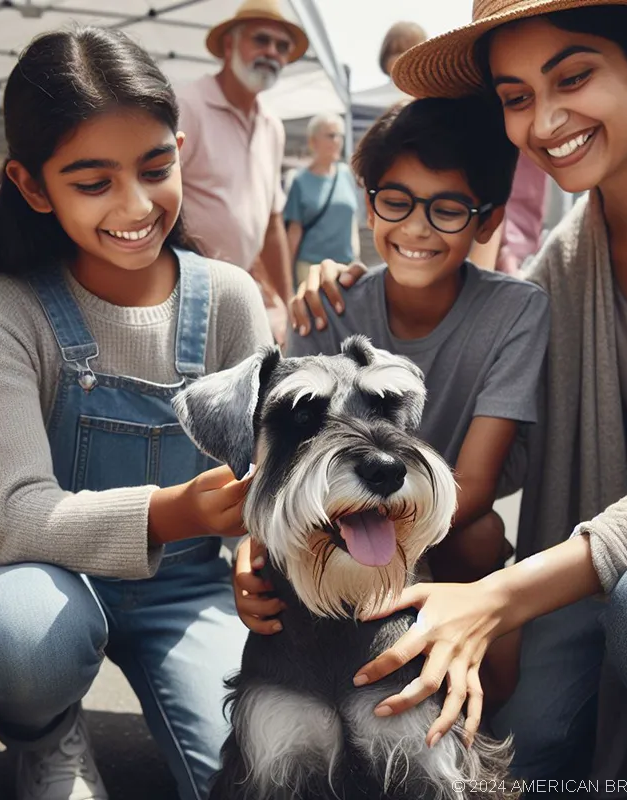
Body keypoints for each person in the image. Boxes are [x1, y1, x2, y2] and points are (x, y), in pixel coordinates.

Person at [287, 0, 627, 783]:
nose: (545, 121)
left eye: (573, 76)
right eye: (516, 97)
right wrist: (355, 297)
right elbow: (510, 450)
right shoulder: (562, 267)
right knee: (526, 738)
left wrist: (499, 597)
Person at [0, 28, 272, 800]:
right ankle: (46, 739)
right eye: (94, 182)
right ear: (32, 183)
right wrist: (173, 510)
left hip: (187, 592)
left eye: (156, 168)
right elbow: (13, 518)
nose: (136, 205)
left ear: (182, 149)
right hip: (44, 578)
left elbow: (268, 470)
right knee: (22, 637)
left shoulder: (229, 298)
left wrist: (258, 552)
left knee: (252, 774)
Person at [236, 95, 549, 707]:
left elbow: (477, 483)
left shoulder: (517, 311)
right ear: (369, 202)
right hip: (332, 519)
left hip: (442, 524)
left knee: (482, 539)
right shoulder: (328, 306)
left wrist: (391, 540)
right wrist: (256, 544)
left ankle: (476, 710)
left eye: (449, 209)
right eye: (396, 201)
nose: (416, 228)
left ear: (488, 222)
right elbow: (283, 453)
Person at [176, 0, 309, 336]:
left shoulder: (272, 126)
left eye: (282, 47)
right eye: (261, 40)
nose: (272, 53)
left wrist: (287, 299)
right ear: (229, 44)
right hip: (182, 293)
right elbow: (154, 203)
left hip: (237, 295)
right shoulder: (188, 107)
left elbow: (271, 224)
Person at [284, 113, 359, 288]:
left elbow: (352, 221)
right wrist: (286, 278)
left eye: (340, 135)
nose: (337, 141)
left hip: (345, 268)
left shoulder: (346, 174)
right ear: (313, 141)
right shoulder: (299, 181)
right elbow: (294, 232)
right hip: (311, 268)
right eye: (331, 135)